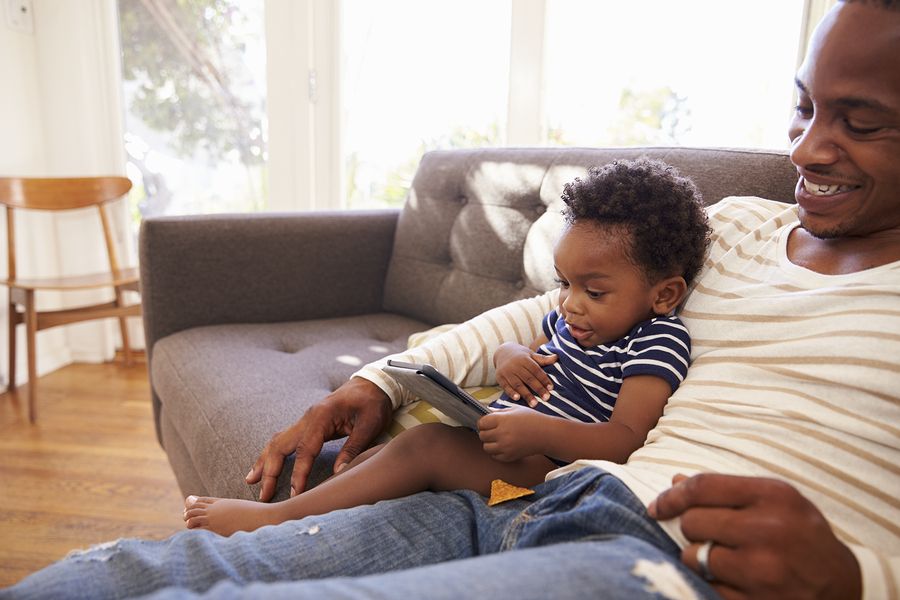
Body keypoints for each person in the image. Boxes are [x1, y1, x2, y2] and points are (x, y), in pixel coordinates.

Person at [3, 1, 898, 598]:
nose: (809, 150)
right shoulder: (734, 225)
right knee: (144, 571)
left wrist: (859, 578)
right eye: (803, 108)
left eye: (859, 122)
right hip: (530, 498)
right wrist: (389, 381)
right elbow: (548, 313)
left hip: (663, 559)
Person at [182, 158, 712, 536]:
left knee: (426, 446)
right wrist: (509, 355)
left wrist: (538, 431)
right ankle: (326, 518)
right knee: (390, 448)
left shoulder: (657, 341)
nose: (570, 304)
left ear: (664, 294)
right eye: (565, 284)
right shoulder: (572, 319)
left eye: (593, 292)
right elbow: (528, 347)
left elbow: (625, 441)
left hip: (544, 479)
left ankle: (272, 522)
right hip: (510, 448)